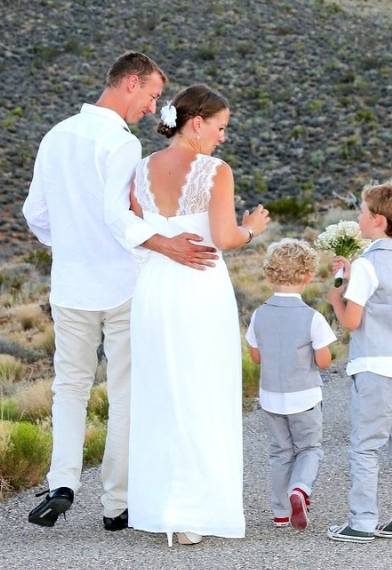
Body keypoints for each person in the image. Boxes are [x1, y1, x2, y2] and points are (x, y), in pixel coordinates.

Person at [23, 51, 217, 532]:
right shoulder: (121, 144)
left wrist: (71, 245)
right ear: (130, 83)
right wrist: (165, 245)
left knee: (69, 387)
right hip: (123, 284)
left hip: (69, 285)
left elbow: (35, 214)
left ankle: (62, 483)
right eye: (152, 95)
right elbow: (117, 216)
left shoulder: (56, 135)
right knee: (125, 392)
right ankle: (116, 505)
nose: (153, 108)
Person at [127, 83, 270, 547]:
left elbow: (136, 227)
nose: (223, 137)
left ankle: (166, 508)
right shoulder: (215, 170)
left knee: (161, 392)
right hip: (200, 289)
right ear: (196, 123)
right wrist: (252, 229)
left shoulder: (141, 168)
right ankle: (195, 512)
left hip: (153, 289)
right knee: (203, 390)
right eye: (220, 127)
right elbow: (224, 238)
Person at [325, 181, 392, 543]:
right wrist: (355, 275)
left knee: (365, 446)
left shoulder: (368, 264)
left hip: (374, 367)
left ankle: (363, 521)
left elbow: (352, 322)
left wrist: (336, 297)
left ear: (378, 220)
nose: (359, 217)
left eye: (363, 212)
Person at [245, 239, 337, 532]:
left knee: (280, 452)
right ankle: (300, 489)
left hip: (271, 398)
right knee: (309, 448)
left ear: (269, 275)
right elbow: (324, 361)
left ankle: (280, 513)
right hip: (305, 397)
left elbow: (256, 357)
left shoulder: (259, 314)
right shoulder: (312, 317)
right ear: (308, 277)